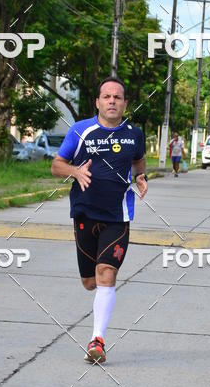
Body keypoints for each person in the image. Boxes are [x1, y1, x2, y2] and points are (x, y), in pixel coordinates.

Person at [51, 77, 147, 361]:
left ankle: (97, 341)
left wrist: (140, 176)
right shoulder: (81, 131)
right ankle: (96, 316)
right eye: (107, 96)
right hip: (84, 212)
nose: (112, 101)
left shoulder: (134, 134)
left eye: (118, 97)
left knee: (107, 273)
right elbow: (57, 164)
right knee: (90, 282)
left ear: (125, 103)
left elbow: (138, 159)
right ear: (98, 102)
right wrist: (76, 172)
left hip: (119, 215)